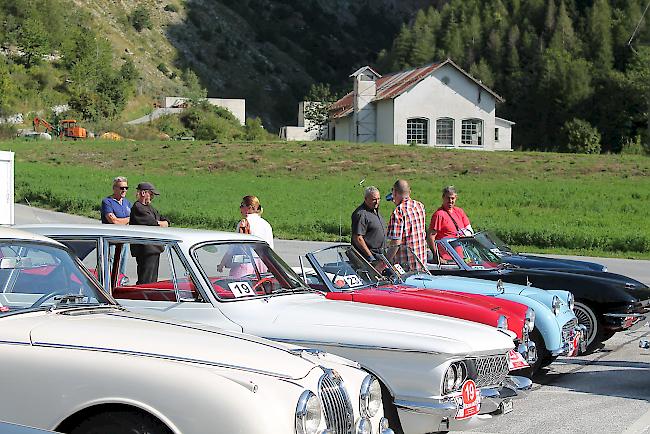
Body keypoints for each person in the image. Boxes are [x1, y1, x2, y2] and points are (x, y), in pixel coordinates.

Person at [218, 195, 273, 276]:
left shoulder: (244, 223)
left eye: (242, 205)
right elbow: (270, 248)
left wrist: (222, 263)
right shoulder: (266, 224)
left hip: (246, 262)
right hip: (263, 264)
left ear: (249, 208)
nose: (240, 208)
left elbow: (234, 247)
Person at [129, 182, 169, 284]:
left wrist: (163, 223)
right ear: (143, 193)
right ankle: (142, 297)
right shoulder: (138, 207)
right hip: (145, 250)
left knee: (153, 280)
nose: (152, 197)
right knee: (145, 280)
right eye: (151, 194)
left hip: (155, 248)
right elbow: (152, 223)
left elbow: (165, 220)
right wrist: (161, 223)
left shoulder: (150, 208)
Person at [386, 179, 427, 268]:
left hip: (406, 267)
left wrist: (383, 263)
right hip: (421, 263)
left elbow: (396, 242)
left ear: (394, 192)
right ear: (409, 192)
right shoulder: (419, 206)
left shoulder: (398, 212)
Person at [427, 185, 473, 263]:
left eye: (452, 198)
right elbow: (431, 237)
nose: (450, 201)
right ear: (443, 197)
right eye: (448, 198)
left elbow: (469, 231)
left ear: (456, 198)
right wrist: (437, 257)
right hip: (448, 259)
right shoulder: (439, 215)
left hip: (463, 258)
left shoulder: (459, 211)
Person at [351, 186, 386, 261]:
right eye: (374, 199)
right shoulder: (361, 214)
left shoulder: (375, 211)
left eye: (378, 199)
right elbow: (358, 238)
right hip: (368, 258)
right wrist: (370, 257)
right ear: (366, 199)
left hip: (380, 255)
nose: (377, 202)